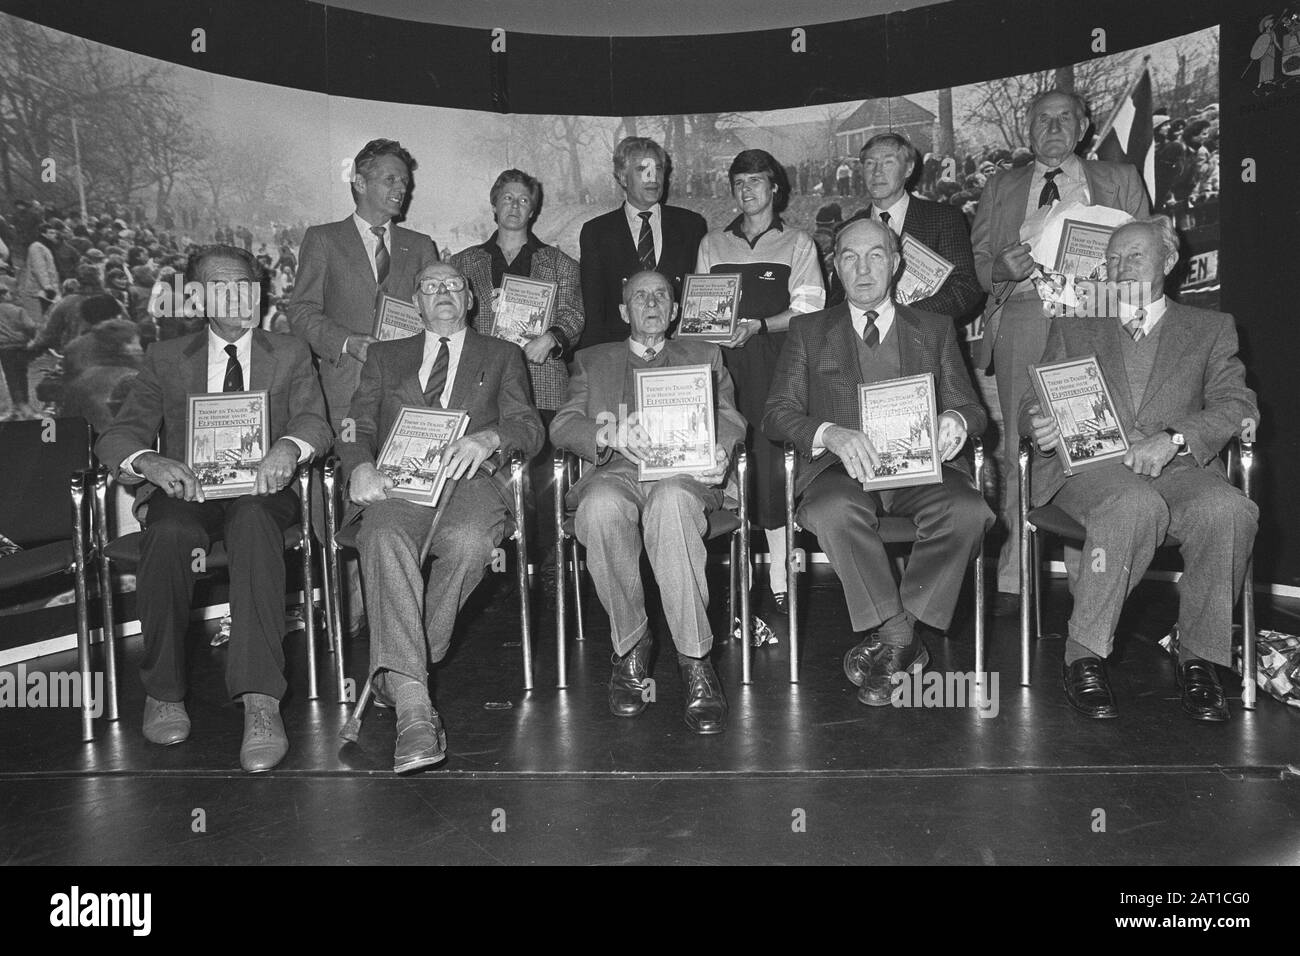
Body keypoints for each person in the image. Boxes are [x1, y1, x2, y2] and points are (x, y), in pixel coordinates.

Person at [94, 245, 331, 772]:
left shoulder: (290, 351)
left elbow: (316, 422)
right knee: (170, 534)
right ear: (197, 298)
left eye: (247, 285)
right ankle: (165, 692)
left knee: (250, 523)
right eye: (223, 287)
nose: (240, 297)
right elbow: (120, 436)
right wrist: (148, 461)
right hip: (189, 492)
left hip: (261, 492)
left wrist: (288, 447)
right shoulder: (166, 358)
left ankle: (261, 702)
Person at [1019, 217, 1258, 721]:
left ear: (1168, 263)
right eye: (1111, 259)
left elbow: (1237, 404)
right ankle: (1084, 654)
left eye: (1134, 256)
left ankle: (1199, 658)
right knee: (1133, 502)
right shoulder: (1076, 321)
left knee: (1229, 509)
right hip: (1091, 472)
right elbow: (1032, 400)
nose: (1119, 267)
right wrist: (1037, 423)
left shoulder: (1210, 328)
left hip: (1180, 467)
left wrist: (1173, 440)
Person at [763, 219, 993, 706]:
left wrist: (954, 419)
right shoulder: (809, 329)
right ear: (835, 267)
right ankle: (897, 633)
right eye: (849, 256)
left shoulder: (932, 329)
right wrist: (829, 433)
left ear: (896, 263)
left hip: (919, 471)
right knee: (831, 512)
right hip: (841, 472)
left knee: (971, 511)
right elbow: (776, 414)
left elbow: (974, 410)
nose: (863, 268)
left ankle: (897, 634)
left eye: (875, 256)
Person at [340, 261, 544, 773]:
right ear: (416, 303)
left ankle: (400, 669)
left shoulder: (503, 354)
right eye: (431, 287)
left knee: (472, 542)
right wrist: (360, 465)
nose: (444, 293)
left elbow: (528, 427)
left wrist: (491, 436)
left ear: (471, 299)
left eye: (454, 285)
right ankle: (414, 709)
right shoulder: (386, 357)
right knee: (382, 535)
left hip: (473, 485)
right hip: (400, 487)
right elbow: (355, 426)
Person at [971, 88, 1150, 617]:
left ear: (1083, 126)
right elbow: (979, 267)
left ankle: (1086, 573)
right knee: (1017, 442)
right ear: (1028, 131)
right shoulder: (1001, 186)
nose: (1053, 127)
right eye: (1043, 119)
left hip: (1096, 314)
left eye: (1064, 118)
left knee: (1089, 437)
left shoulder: (1119, 180)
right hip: (1025, 314)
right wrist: (1002, 269)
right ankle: (1016, 568)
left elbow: (1153, 249)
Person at [551, 270, 746, 734]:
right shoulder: (592, 360)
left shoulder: (705, 354)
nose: (653, 303)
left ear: (676, 309)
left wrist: (721, 449)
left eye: (662, 295)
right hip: (617, 471)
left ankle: (695, 660)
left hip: (682, 474)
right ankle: (632, 645)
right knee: (598, 508)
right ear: (624, 312)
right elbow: (562, 424)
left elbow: (731, 419)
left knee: (672, 502)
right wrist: (605, 434)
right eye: (640, 296)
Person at [288, 138, 441, 640]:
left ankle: (392, 614)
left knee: (396, 498)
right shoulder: (324, 239)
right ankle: (345, 602)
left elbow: (437, 320)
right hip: (340, 393)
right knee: (341, 496)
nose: (402, 188)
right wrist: (349, 342)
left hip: (403, 398)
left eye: (405, 180)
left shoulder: (420, 247)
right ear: (359, 181)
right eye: (391, 179)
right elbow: (302, 313)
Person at [696, 149, 825, 616]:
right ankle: (741, 573)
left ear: (775, 189)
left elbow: (809, 311)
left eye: (756, 181)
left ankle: (779, 575)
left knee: (772, 463)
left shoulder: (798, 243)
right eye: (739, 183)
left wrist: (759, 325)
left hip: (776, 363)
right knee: (731, 459)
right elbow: (701, 310)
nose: (747, 191)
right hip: (726, 368)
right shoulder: (712, 244)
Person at [448, 169, 584, 566]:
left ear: (534, 208)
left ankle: (542, 564)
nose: (515, 206)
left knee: (539, 482)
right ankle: (487, 565)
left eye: (523, 200)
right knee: (485, 476)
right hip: (481, 386)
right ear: (494, 203)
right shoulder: (463, 262)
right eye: (507, 198)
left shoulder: (558, 263)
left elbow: (575, 315)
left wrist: (553, 338)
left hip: (541, 383)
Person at [578, 136, 706, 350]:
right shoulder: (596, 232)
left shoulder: (691, 225)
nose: (652, 177)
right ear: (622, 177)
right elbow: (593, 311)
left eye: (657, 169)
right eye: (642, 169)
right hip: (620, 353)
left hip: (679, 352)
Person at [845, 132, 983, 322]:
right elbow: (839, 297)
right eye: (869, 163)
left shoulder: (944, 219)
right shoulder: (848, 229)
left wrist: (903, 316)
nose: (877, 171)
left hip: (924, 339)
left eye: (888, 162)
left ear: (908, 169)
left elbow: (965, 288)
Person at [0, 285, 37, 419]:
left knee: (11, 377)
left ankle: (18, 406)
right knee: (22, 375)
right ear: (4, 295)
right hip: (20, 347)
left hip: (4, 349)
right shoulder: (18, 310)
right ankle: (25, 404)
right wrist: (32, 338)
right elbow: (31, 326)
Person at [19, 220, 60, 321]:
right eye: (51, 232)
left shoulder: (46, 246)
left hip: (46, 288)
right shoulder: (37, 247)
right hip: (38, 289)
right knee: (41, 317)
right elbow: (39, 268)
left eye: (54, 232)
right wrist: (47, 287)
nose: (54, 235)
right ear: (43, 233)